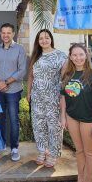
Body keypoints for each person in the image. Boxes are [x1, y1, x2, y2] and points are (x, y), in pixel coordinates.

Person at [60, 43, 92, 182]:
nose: (78, 58)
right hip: (72, 118)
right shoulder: (67, 75)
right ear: (70, 57)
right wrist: (63, 116)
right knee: (79, 152)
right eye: (74, 55)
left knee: (90, 153)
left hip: (89, 119)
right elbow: (63, 97)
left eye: (81, 54)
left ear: (86, 55)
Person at [26, 29, 66, 167]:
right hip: (37, 97)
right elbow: (31, 76)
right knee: (38, 125)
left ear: (51, 39)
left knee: (54, 126)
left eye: (47, 37)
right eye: (41, 38)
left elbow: (65, 78)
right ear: (38, 41)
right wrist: (29, 93)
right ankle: (42, 151)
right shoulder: (36, 56)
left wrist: (62, 97)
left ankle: (53, 154)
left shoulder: (60, 56)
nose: (44, 40)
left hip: (53, 97)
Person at [0, 23, 27, 162]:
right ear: (0, 34)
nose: (6, 35)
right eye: (3, 33)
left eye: (8, 33)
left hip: (13, 90)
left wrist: (6, 82)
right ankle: (0, 146)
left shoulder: (20, 49)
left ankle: (15, 148)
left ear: (13, 34)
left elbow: (22, 70)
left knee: (13, 119)